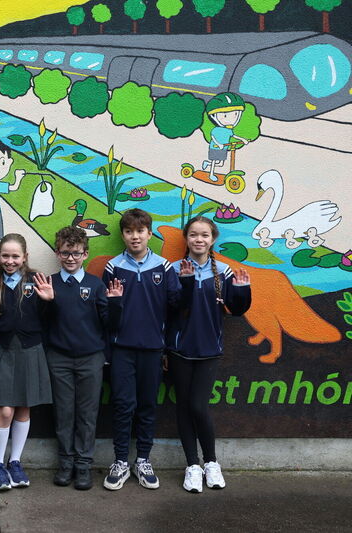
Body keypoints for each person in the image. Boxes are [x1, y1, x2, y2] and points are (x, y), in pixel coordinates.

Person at [32, 226, 122, 490]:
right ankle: (66, 463)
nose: (70, 258)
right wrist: (46, 301)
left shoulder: (96, 285)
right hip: (58, 358)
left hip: (90, 359)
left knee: (86, 414)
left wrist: (116, 303)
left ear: (86, 253)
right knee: (63, 413)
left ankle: (84, 465)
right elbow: (40, 321)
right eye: (65, 253)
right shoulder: (48, 283)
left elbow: (110, 324)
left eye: (76, 253)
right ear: (57, 253)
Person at [168, 216, 251, 493]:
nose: (199, 240)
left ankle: (211, 462)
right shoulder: (176, 269)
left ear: (212, 239)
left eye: (204, 235)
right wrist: (188, 282)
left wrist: (242, 291)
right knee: (183, 406)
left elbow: (236, 310)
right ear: (186, 238)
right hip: (180, 350)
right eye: (193, 235)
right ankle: (192, 466)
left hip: (209, 350)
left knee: (198, 407)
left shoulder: (224, 272)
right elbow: (173, 306)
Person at [102, 208, 180, 491]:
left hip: (152, 350)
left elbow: (175, 310)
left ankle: (143, 460)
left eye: (140, 231)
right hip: (122, 350)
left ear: (149, 233)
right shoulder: (113, 267)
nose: (134, 236)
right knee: (123, 406)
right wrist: (114, 304)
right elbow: (106, 317)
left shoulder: (164, 267)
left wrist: (167, 350)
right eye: (128, 231)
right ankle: (121, 461)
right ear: (123, 235)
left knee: (147, 407)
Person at [0, 233, 52, 492]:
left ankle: (15, 462)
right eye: (5, 256)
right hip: (5, 351)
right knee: (5, 411)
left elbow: (45, 320)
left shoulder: (36, 281)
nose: (9, 261)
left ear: (25, 257)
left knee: (24, 408)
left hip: (31, 350)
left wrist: (49, 303)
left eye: (15, 256)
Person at [202, 92, 249, 182]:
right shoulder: (216, 130)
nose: (230, 119)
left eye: (235, 114)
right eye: (225, 115)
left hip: (224, 147)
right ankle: (211, 174)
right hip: (215, 147)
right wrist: (218, 144)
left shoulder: (228, 130)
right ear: (214, 116)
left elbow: (234, 136)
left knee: (221, 163)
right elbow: (213, 137)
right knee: (214, 161)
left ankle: (206, 163)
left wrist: (243, 139)